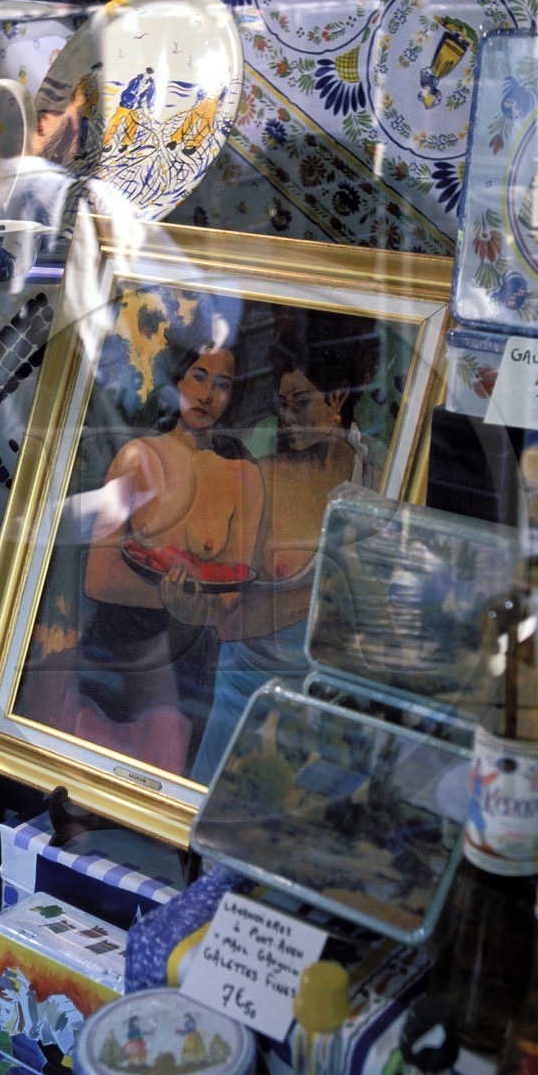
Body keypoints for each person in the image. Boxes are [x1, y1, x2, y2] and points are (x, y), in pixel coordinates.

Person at [21, 324, 261, 777]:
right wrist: (173, 599)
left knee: (163, 789)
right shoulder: (136, 456)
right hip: (115, 655)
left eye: (222, 383)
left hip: (193, 669)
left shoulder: (242, 477)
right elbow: (98, 576)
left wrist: (194, 607)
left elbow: (232, 594)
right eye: (198, 376)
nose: (208, 395)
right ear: (177, 381)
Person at [186, 309, 382, 787]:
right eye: (281, 403)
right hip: (250, 701)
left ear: (337, 398)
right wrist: (327, 584)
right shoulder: (262, 478)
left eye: (301, 401)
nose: (287, 415)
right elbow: (229, 622)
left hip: (331, 707)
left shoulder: (378, 475)